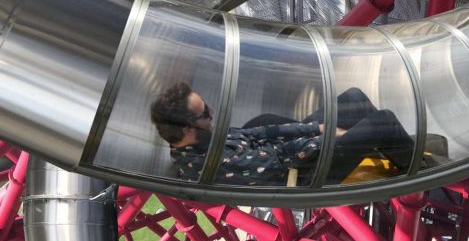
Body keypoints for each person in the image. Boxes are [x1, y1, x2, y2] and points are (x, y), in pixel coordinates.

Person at [150, 83, 415, 186]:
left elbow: (258, 133)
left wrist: (318, 127)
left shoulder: (201, 137)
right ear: (187, 128)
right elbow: (283, 157)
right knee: (384, 121)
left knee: (353, 98)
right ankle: (419, 169)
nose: (213, 111)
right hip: (306, 176)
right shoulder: (208, 165)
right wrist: (330, 137)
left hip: (293, 153)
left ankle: (391, 149)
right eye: (206, 112)